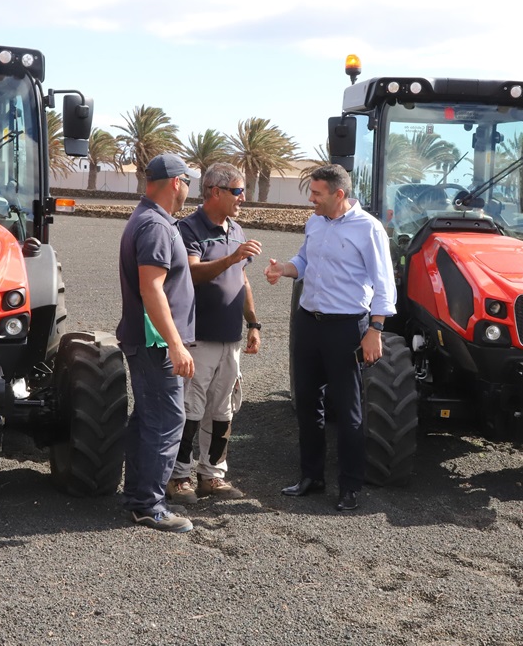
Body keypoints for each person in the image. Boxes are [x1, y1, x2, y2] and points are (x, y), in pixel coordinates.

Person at [264, 164, 397, 512]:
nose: (311, 199)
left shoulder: (368, 229)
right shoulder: (316, 222)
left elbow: (384, 284)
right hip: (309, 323)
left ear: (339, 194)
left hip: (346, 327)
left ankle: (349, 486)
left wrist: (375, 329)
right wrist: (284, 269)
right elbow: (305, 261)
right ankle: (312, 477)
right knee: (307, 404)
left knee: (349, 411)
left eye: (317, 194)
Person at [167, 163, 262, 505]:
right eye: (238, 191)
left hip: (230, 338)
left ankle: (212, 475)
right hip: (198, 337)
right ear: (215, 192)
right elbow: (191, 273)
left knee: (223, 410)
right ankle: (178, 478)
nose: (243, 198)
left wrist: (253, 323)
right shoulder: (188, 229)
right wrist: (233, 257)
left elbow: (243, 280)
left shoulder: (235, 229)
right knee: (190, 409)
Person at [116, 153, 200, 533]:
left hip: (150, 343)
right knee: (168, 420)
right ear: (176, 182)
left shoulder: (151, 220)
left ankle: (137, 496)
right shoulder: (155, 226)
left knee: (149, 419)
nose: (188, 190)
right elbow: (152, 289)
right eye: (188, 182)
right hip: (155, 345)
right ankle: (149, 505)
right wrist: (175, 344)